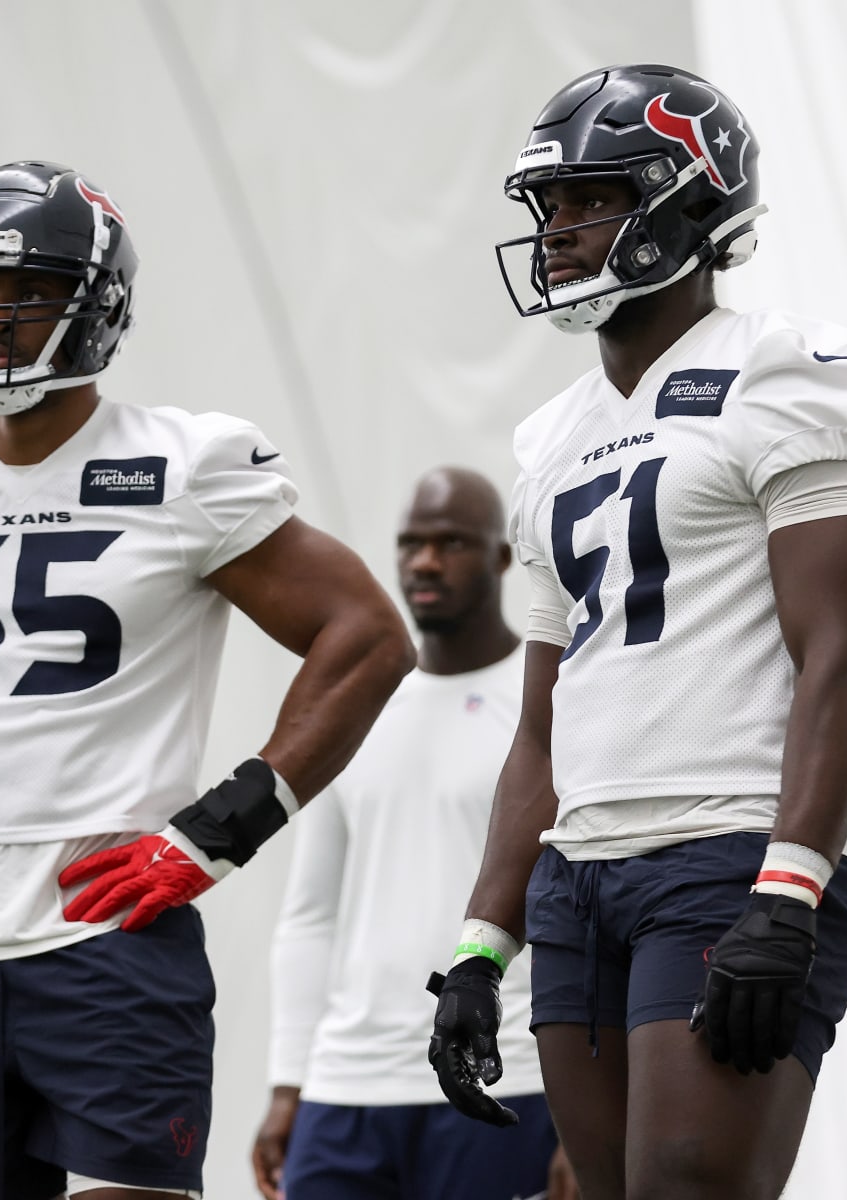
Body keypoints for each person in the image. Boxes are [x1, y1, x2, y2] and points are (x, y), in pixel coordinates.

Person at [0, 161, 415, 1200]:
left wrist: (221, 828)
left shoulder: (184, 465)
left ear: (93, 303)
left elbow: (366, 635)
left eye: (18, 293)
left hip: (110, 936)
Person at [427, 66, 847, 1200]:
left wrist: (791, 890)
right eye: (548, 207)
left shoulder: (787, 370)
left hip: (728, 851)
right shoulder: (551, 435)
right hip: (578, 875)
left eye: (589, 199)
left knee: (690, 1189)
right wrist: (479, 949)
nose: (557, 232)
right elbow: (540, 727)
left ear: (690, 201)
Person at [252, 468, 577, 1200]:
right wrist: (287, 1083)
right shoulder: (357, 706)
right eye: (411, 544)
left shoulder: (546, 703)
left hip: (509, 1079)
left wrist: (580, 1113)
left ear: (500, 559)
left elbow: (589, 908)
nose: (425, 562)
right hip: (347, 1087)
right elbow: (312, 914)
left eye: (452, 543)